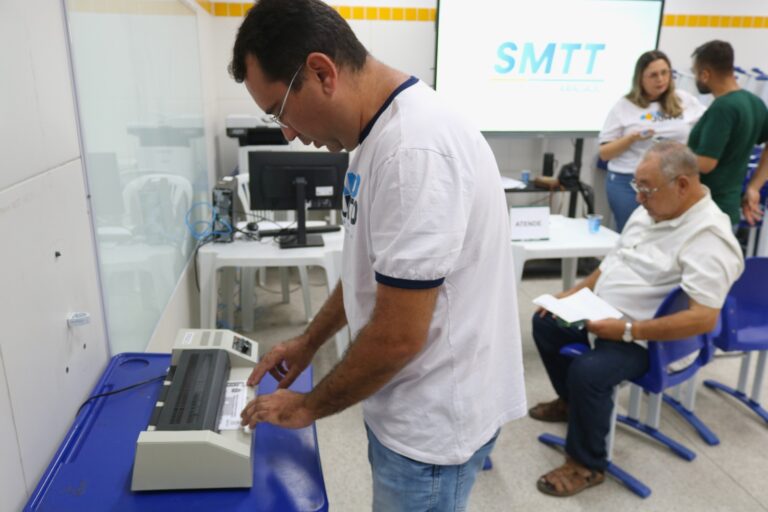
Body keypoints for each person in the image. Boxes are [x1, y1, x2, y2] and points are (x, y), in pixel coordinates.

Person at [229, 0, 527, 509]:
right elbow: (373, 271)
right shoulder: (377, 135)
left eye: (279, 111)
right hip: (406, 406)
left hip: (431, 428)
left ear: (321, 72)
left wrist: (308, 405)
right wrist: (308, 342)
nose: (288, 134)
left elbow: (396, 336)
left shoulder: (414, 149)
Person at [529, 141, 743, 497]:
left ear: (683, 185)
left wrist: (628, 330)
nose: (639, 199)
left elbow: (703, 319)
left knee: (589, 371)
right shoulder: (656, 208)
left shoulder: (710, 238)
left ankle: (586, 465)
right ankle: (573, 404)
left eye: (647, 189)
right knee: (546, 322)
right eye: (637, 187)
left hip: (651, 340)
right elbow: (615, 261)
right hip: (611, 318)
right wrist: (575, 294)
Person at [599, 50, 705, 232]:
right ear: (640, 78)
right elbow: (605, 152)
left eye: (665, 73)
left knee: (667, 236)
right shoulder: (624, 106)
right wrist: (632, 138)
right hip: (629, 182)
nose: (661, 79)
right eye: (653, 75)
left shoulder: (684, 100)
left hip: (671, 181)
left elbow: (707, 128)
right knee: (633, 235)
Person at [688, 40, 768, 226]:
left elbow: (706, 163)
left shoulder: (723, 108)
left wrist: (673, 155)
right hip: (728, 208)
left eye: (695, 73)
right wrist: (754, 187)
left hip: (707, 211)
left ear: (705, 74)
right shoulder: (754, 103)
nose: (695, 78)